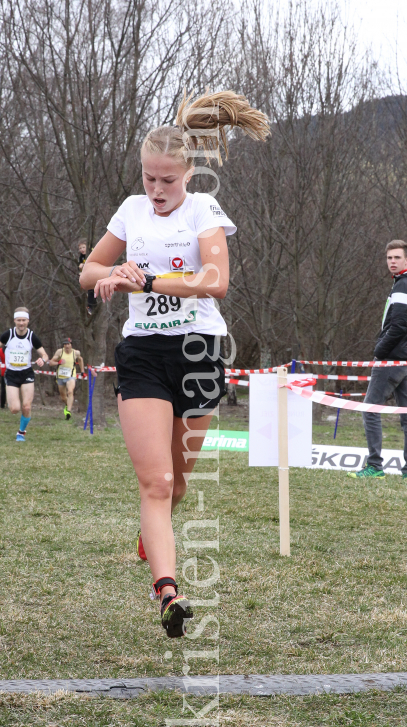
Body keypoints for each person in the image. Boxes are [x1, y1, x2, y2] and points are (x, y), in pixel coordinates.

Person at [80, 90, 269, 637]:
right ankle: (169, 591)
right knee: (157, 481)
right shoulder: (131, 211)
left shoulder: (204, 210)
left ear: (188, 174)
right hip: (142, 353)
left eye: (167, 180)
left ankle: (151, 531)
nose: (156, 190)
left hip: (199, 352)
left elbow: (217, 281)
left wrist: (151, 280)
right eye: (149, 178)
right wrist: (111, 276)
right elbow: (89, 269)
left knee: (179, 483)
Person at [348, 240, 407, 480]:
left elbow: (397, 327)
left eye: (397, 258)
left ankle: (374, 465)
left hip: (392, 360)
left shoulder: (403, 286)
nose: (392, 262)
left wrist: (380, 351)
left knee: (369, 409)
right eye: (389, 258)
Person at [0, 308, 49, 441]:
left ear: (28, 321)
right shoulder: (8, 334)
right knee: (15, 409)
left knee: (26, 406)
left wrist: (42, 359)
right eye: (19, 320)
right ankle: (19, 422)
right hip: (11, 374)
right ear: (15, 321)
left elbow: (45, 354)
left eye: (24, 320)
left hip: (26, 373)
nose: (21, 323)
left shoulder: (31, 336)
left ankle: (21, 433)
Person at [49, 337, 86, 419]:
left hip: (71, 376)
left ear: (71, 344)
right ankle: (67, 405)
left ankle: (68, 411)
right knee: (63, 397)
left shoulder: (76, 353)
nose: (67, 346)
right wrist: (58, 362)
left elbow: (80, 359)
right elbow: (51, 363)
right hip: (60, 376)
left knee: (70, 391)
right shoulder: (60, 352)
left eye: (68, 344)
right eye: (65, 344)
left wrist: (82, 371)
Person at [79, 241, 98, 316]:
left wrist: (84, 265)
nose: (82, 249)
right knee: (91, 291)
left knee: (92, 290)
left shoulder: (92, 252)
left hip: (95, 273)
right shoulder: (81, 257)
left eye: (83, 247)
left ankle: (91, 305)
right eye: (80, 248)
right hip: (89, 275)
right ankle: (91, 305)